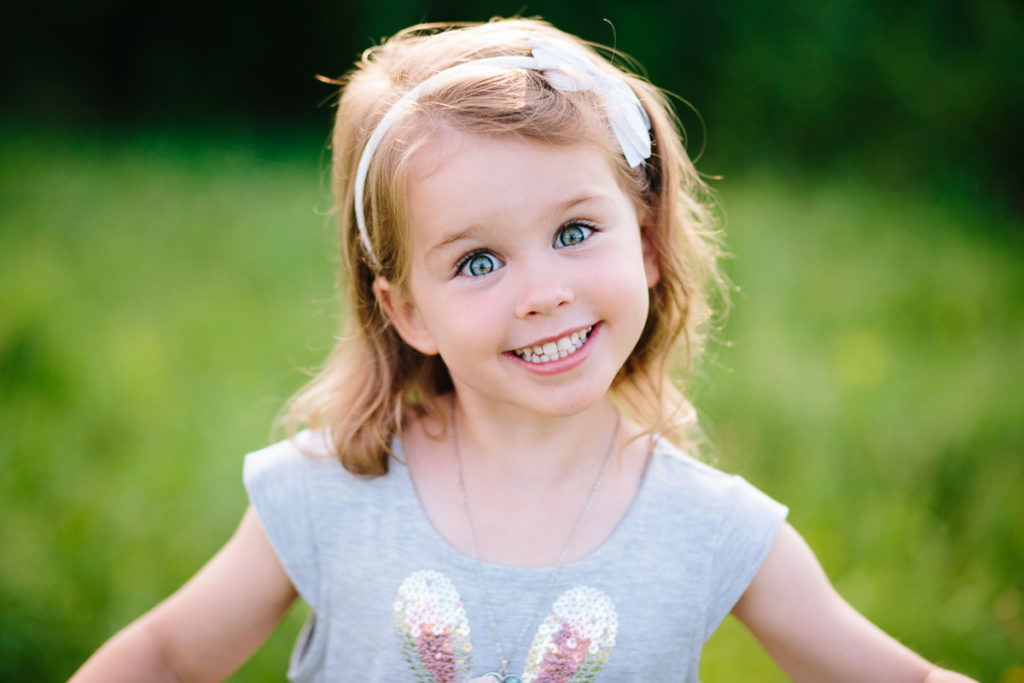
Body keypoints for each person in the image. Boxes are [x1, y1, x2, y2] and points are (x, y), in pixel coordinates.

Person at [71, 18, 978, 683]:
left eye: (577, 232)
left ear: (650, 242)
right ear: (407, 311)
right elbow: (167, 654)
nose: (542, 290)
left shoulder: (710, 529)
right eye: (477, 259)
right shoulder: (331, 493)